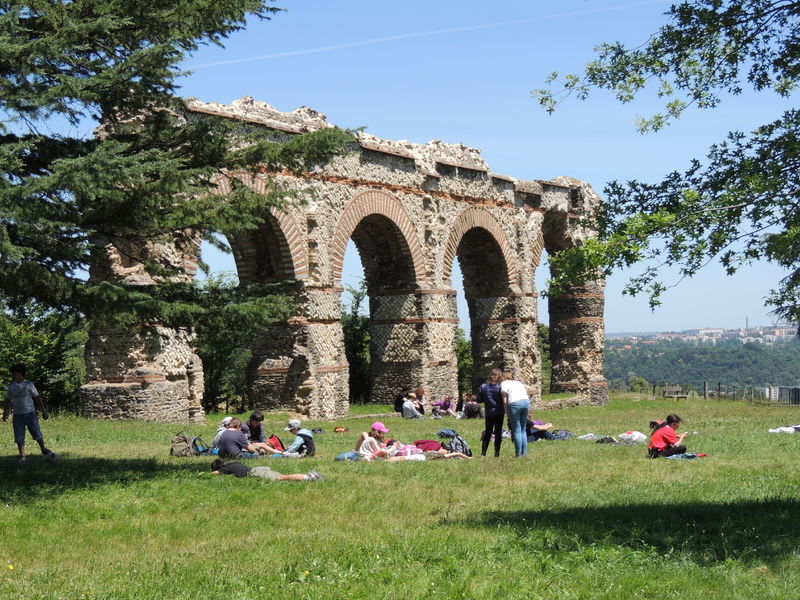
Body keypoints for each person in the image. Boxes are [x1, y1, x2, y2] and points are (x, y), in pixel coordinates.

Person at [2, 363, 56, 465]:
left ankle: (43, 449)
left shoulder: (29, 384)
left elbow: (37, 398)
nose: (12, 375)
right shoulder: (11, 386)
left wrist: (44, 412)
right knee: (19, 436)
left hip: (30, 414)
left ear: (20, 373)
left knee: (36, 433)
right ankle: (22, 457)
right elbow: (8, 401)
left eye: (13, 373)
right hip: (17, 415)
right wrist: (5, 414)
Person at [210, 458, 324, 481]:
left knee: (282, 478)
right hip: (259, 469)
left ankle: (308, 477)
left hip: (254, 472)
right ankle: (307, 476)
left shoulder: (225, 468)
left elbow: (216, 473)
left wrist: (206, 473)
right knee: (283, 477)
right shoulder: (233, 463)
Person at [500, 370, 530, 457]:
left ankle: (518, 454)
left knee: (516, 429)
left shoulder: (504, 384)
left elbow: (505, 399)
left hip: (515, 404)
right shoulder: (518, 383)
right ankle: (524, 453)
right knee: (523, 429)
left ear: (503, 377)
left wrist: (506, 411)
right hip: (526, 402)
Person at [478, 368, 505, 457]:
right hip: (499, 412)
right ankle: (496, 454)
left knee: (488, 433)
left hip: (489, 412)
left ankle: (483, 454)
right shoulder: (501, 387)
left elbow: (480, 399)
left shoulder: (484, 386)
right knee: (498, 433)